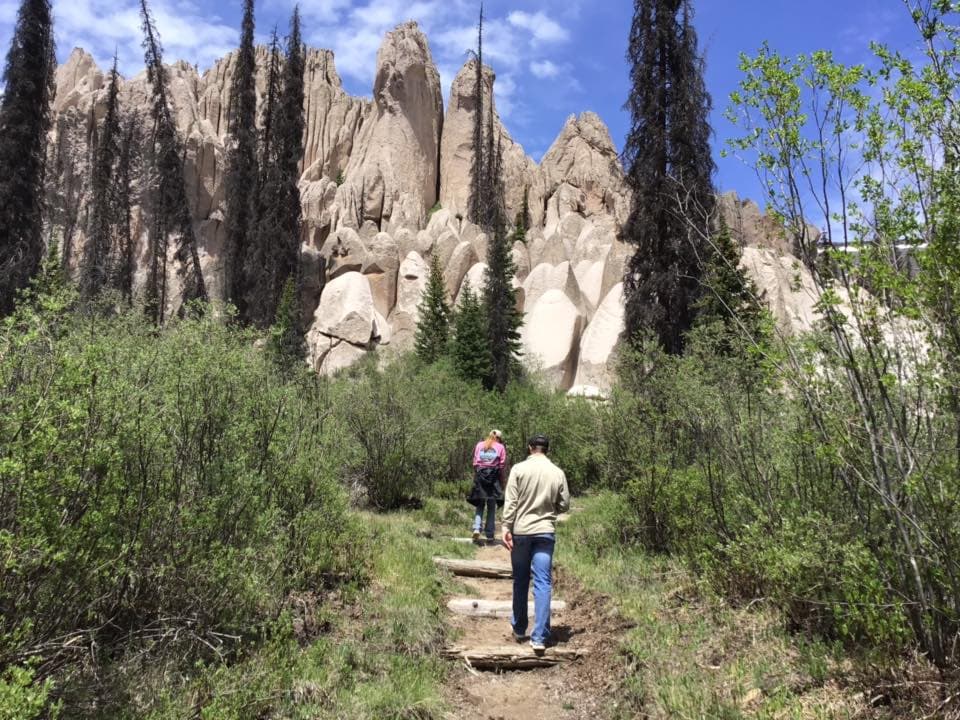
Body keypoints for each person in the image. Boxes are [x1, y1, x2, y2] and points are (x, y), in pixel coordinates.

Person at [502, 434, 570, 652]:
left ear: (530, 447)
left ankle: (520, 627)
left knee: (520, 579)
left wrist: (506, 527)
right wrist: (550, 510)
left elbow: (511, 501)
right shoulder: (557, 472)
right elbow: (565, 504)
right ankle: (540, 637)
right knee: (543, 582)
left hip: (521, 531)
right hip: (545, 533)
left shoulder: (519, 469)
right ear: (547, 449)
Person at [467, 429, 506, 542]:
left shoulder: (479, 445)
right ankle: (489, 534)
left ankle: (477, 528)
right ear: (498, 438)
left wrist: (478, 477)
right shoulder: (500, 447)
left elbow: (475, 463)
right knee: (491, 506)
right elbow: (501, 465)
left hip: (480, 476)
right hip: (493, 478)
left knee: (480, 504)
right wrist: (502, 481)